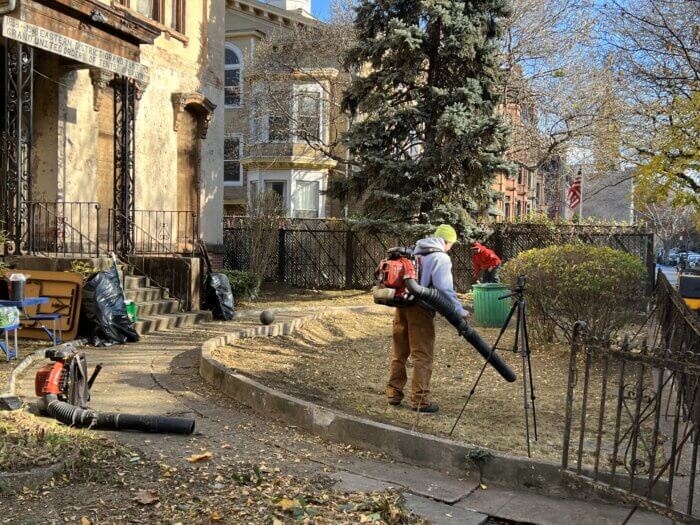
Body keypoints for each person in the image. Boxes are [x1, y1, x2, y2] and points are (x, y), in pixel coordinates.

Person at [386, 224, 469, 414]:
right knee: (422, 355)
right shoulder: (440, 258)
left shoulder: (415, 252)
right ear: (447, 242)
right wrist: (459, 310)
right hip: (421, 310)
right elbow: (444, 289)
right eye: (451, 244)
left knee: (399, 353)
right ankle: (420, 400)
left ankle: (394, 393)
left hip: (402, 305)